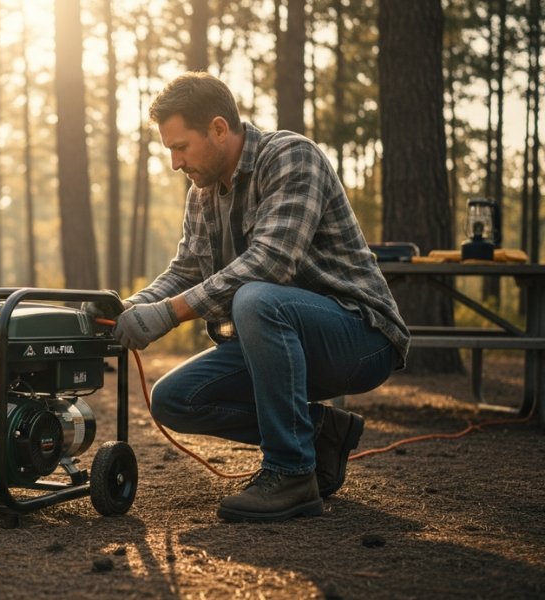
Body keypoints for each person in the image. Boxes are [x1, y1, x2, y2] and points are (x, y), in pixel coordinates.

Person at [86, 72, 409, 523]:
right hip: (277, 340)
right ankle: (319, 436)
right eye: (170, 151)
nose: (176, 163)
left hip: (358, 337)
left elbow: (270, 264)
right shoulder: (202, 192)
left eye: (181, 147)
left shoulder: (293, 156)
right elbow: (185, 269)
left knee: (257, 298)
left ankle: (292, 473)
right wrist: (132, 308)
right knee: (175, 398)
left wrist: (169, 315)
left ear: (219, 128)